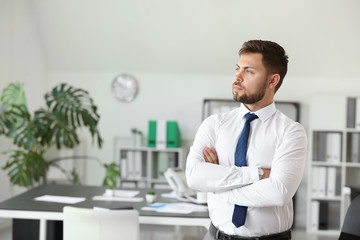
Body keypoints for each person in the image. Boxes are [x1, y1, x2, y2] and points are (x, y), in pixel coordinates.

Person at [186, 40, 307, 240]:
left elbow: (278, 192)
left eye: (249, 71)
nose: (237, 77)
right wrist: (258, 174)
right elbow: (194, 176)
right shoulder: (214, 124)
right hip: (215, 235)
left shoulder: (291, 132)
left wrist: (218, 187)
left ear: (272, 80)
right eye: (237, 69)